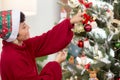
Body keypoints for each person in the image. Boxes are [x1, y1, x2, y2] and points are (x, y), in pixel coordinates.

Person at [0, 10, 83, 80]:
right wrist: (55, 63)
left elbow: (46, 40)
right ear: (14, 34)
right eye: (24, 27)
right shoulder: (13, 58)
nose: (29, 27)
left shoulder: (21, 45)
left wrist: (70, 22)